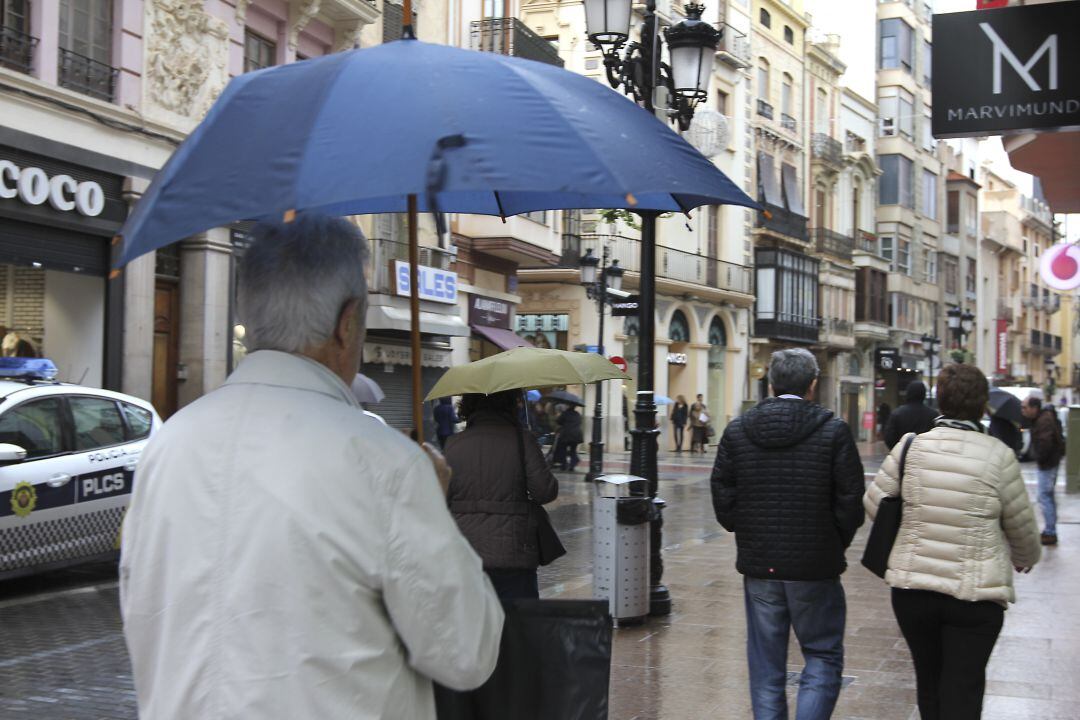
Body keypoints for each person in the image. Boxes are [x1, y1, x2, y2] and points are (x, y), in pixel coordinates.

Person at [119, 214, 503, 720]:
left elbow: (142, 615)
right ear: (347, 324)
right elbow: (466, 653)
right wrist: (434, 509)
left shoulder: (168, 446)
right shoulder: (383, 461)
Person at [865, 364, 1041, 720]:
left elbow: (873, 504)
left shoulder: (910, 448)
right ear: (982, 406)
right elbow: (1022, 529)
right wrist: (1024, 556)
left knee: (928, 683)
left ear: (940, 399)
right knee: (964, 685)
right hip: (974, 597)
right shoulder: (999, 456)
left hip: (914, 589)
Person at [710, 348, 865, 720]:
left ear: (770, 383)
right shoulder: (833, 430)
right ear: (813, 385)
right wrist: (833, 539)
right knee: (823, 653)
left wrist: (746, 529)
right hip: (815, 564)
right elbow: (850, 500)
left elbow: (723, 497)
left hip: (761, 563)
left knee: (765, 662)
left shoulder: (738, 429)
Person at [444, 390, 559, 599]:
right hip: (514, 553)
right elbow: (545, 491)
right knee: (518, 625)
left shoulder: (453, 444)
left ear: (468, 406)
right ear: (511, 404)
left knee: (474, 626)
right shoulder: (522, 440)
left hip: (466, 553)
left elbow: (442, 499)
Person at [1023, 396, 1065, 546]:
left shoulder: (1043, 421)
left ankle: (1050, 531)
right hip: (1050, 462)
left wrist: (1039, 457)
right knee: (1047, 496)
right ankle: (1050, 529)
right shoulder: (1043, 418)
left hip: (1048, 464)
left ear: (1034, 408)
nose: (1023, 411)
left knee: (1044, 496)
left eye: (1025, 407)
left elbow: (1045, 443)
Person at [883, 381, 938, 449]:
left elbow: (889, 437)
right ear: (923, 394)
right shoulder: (933, 415)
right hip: (925, 454)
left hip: (903, 453)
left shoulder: (897, 413)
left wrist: (897, 450)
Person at [555, 402, 583, 471]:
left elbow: (558, 421)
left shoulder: (565, 413)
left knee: (563, 450)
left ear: (569, 406)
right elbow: (580, 422)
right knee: (573, 450)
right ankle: (572, 464)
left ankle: (564, 465)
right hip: (576, 435)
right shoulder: (577, 414)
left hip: (566, 435)